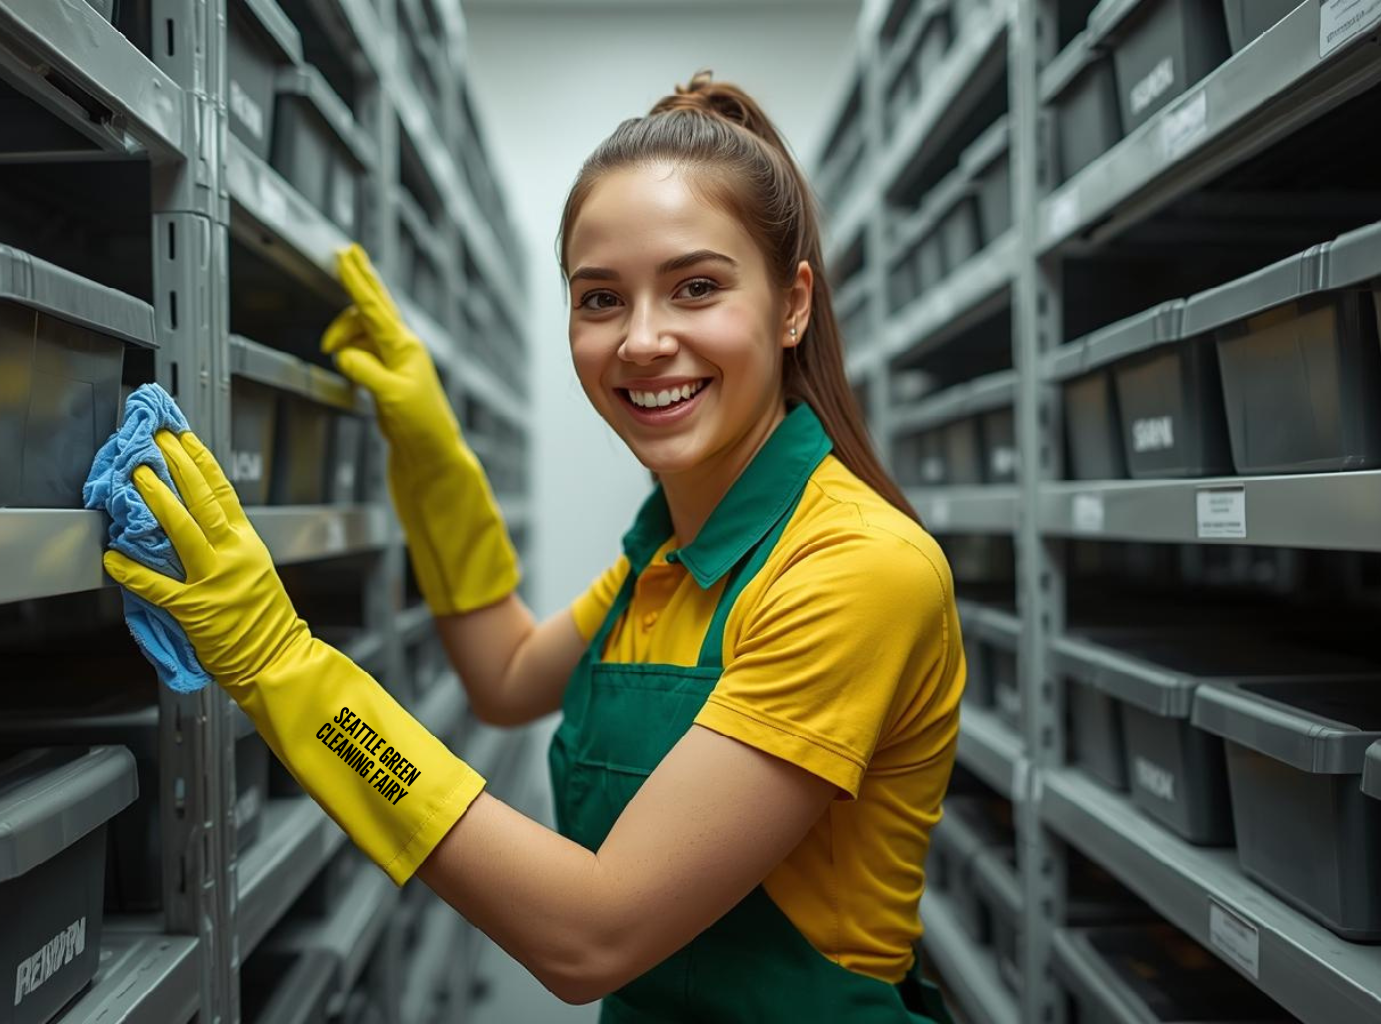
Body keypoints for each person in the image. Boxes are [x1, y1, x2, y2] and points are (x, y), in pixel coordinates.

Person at [105, 70, 964, 1023]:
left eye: (696, 288)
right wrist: (432, 456)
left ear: (792, 303)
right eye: (601, 299)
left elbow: (590, 934)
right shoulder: (668, 555)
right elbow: (506, 675)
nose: (642, 341)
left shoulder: (853, 568)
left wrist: (279, 661)